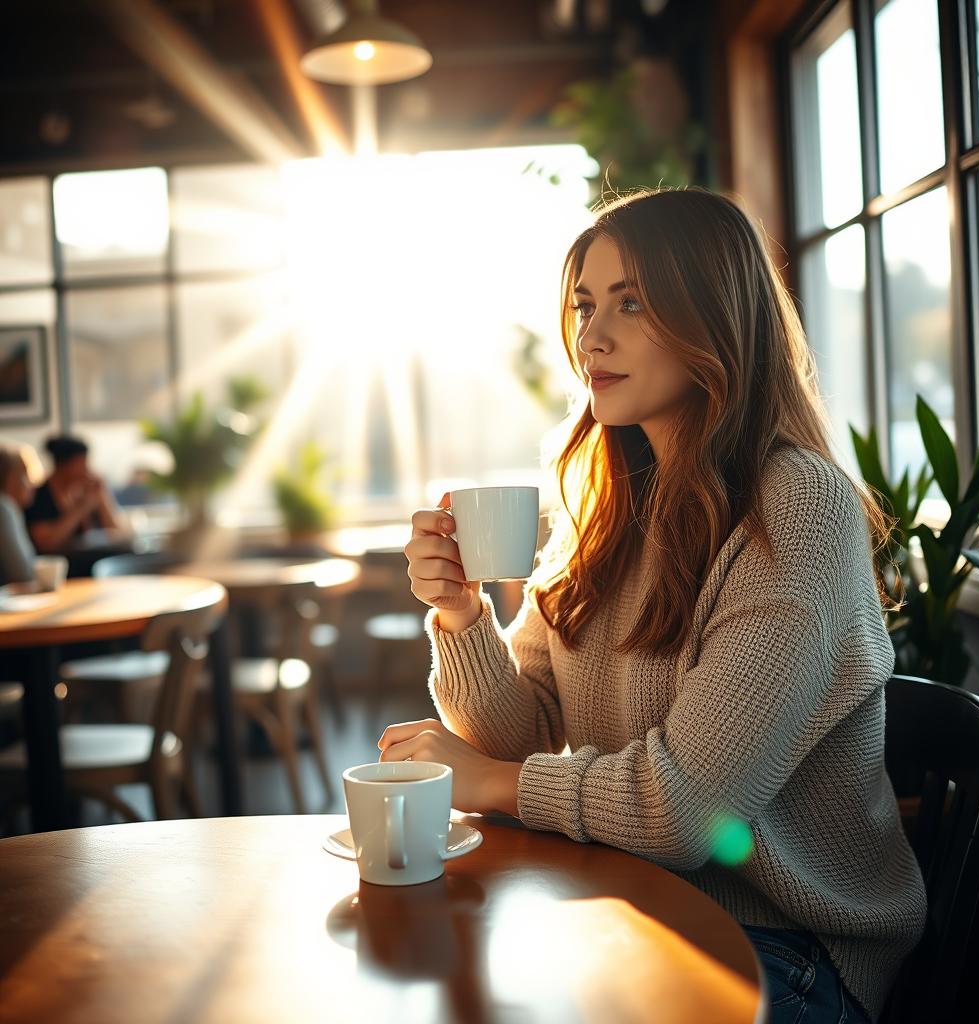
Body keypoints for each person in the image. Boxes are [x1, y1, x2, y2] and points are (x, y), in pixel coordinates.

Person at [381, 188, 927, 1023]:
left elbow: (687, 812)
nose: (592, 336)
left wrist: (487, 782)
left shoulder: (797, 507)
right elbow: (524, 732)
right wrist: (460, 616)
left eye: (632, 303)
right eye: (586, 304)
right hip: (629, 900)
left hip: (786, 949)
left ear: (714, 315)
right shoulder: (608, 506)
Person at [25, 435, 126, 554]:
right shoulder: (39, 496)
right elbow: (46, 544)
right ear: (63, 465)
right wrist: (81, 509)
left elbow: (117, 531)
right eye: (81, 463)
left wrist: (101, 496)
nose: (87, 469)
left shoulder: (83, 492)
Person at [0, 444, 38, 585]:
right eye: (25, 475)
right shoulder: (4, 508)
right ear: (9, 479)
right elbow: (23, 573)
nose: (31, 484)